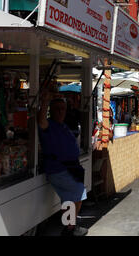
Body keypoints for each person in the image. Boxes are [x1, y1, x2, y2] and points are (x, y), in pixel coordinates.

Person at [38, 88, 88, 236]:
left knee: (70, 198)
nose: (61, 111)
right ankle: (70, 227)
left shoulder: (63, 125)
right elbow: (41, 120)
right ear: (51, 111)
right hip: (59, 169)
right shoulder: (49, 125)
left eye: (63, 109)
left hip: (70, 168)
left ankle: (70, 228)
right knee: (78, 192)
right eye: (57, 109)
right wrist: (45, 101)